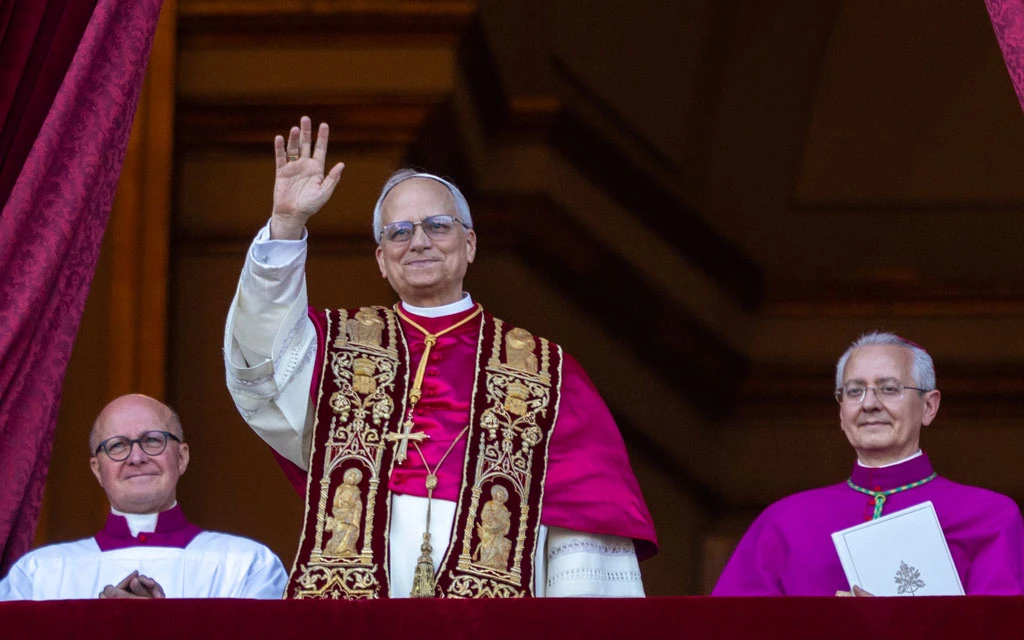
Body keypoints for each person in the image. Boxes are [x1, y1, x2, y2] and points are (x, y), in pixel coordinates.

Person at [224, 116, 657, 599]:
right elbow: (259, 360)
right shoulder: (335, 347)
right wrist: (286, 226)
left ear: (469, 244)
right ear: (381, 261)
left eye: (437, 225)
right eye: (399, 232)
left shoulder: (547, 372)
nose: (419, 241)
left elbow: (586, 527)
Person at [713, 332, 1024, 596]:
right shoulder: (783, 522)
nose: (870, 404)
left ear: (929, 406)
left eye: (889, 389)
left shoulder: (988, 517)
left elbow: (1002, 628)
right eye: (854, 391)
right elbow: (725, 627)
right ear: (841, 412)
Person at [0, 394, 288, 600]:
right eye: (117, 446)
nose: (136, 458)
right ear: (97, 470)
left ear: (182, 457)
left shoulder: (247, 565)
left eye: (152, 440)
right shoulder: (38, 575)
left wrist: (161, 628)